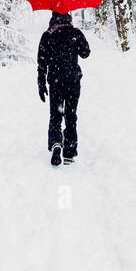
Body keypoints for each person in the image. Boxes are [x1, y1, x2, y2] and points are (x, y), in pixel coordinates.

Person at [37, 11, 90, 166]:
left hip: (55, 81)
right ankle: (69, 151)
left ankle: (55, 143)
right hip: (72, 80)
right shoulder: (75, 33)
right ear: (69, 17)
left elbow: (41, 62)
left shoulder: (47, 35)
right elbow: (86, 53)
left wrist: (41, 83)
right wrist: (78, 40)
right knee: (71, 114)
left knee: (55, 114)